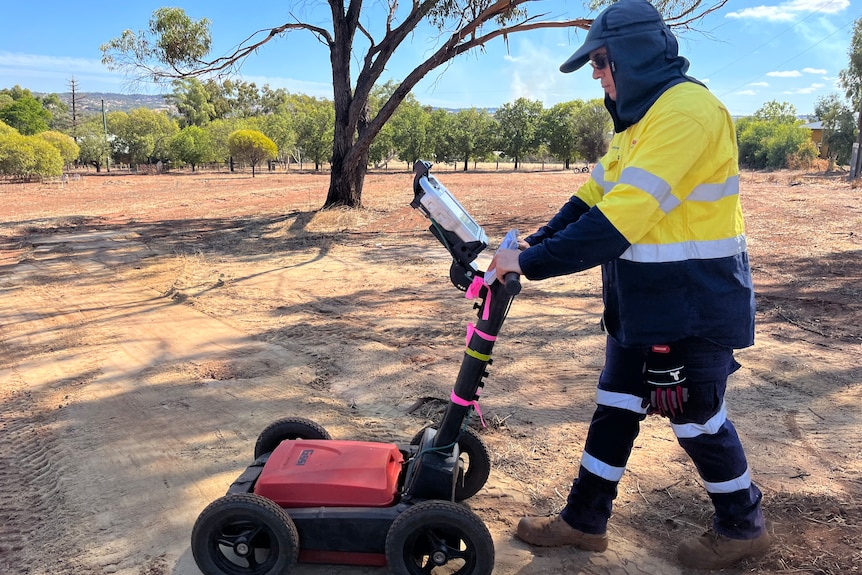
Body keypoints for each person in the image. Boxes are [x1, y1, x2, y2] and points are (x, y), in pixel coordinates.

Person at [488, 0, 770, 569]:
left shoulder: (686, 113)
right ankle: (584, 521)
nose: (595, 74)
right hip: (643, 304)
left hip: (693, 303)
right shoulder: (640, 121)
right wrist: (528, 245)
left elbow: (620, 222)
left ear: (633, 57)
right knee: (615, 406)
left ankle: (744, 526)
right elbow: (592, 200)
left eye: (599, 62)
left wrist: (529, 264)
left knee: (697, 419)